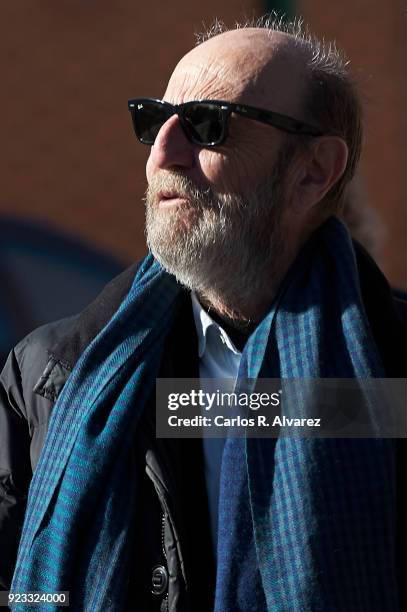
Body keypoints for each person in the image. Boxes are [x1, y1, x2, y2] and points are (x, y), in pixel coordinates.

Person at [1, 17, 407, 612]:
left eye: (206, 125)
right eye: (151, 121)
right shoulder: (48, 375)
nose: (161, 153)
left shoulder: (390, 362)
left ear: (313, 171)